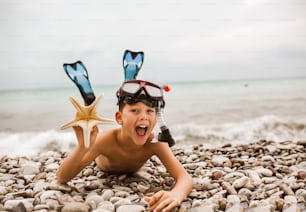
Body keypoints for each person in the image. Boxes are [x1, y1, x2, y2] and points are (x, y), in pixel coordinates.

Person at [57, 79, 193, 212]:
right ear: (119, 118)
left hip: (131, 167)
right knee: (91, 142)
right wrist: (82, 146)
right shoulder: (105, 140)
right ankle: (88, 98)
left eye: (150, 111)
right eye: (135, 111)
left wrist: (177, 194)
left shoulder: (155, 143)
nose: (144, 116)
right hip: (104, 166)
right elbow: (62, 177)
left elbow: (184, 177)